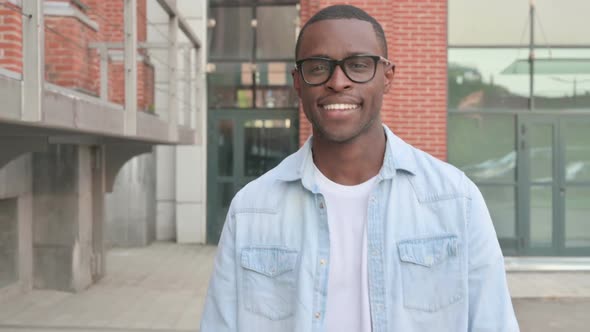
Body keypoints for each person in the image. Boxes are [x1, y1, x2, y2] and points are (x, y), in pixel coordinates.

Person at [201, 4, 519, 332]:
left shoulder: (455, 200)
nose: (338, 82)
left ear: (387, 77)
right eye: (318, 67)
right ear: (298, 83)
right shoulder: (251, 209)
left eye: (358, 65)